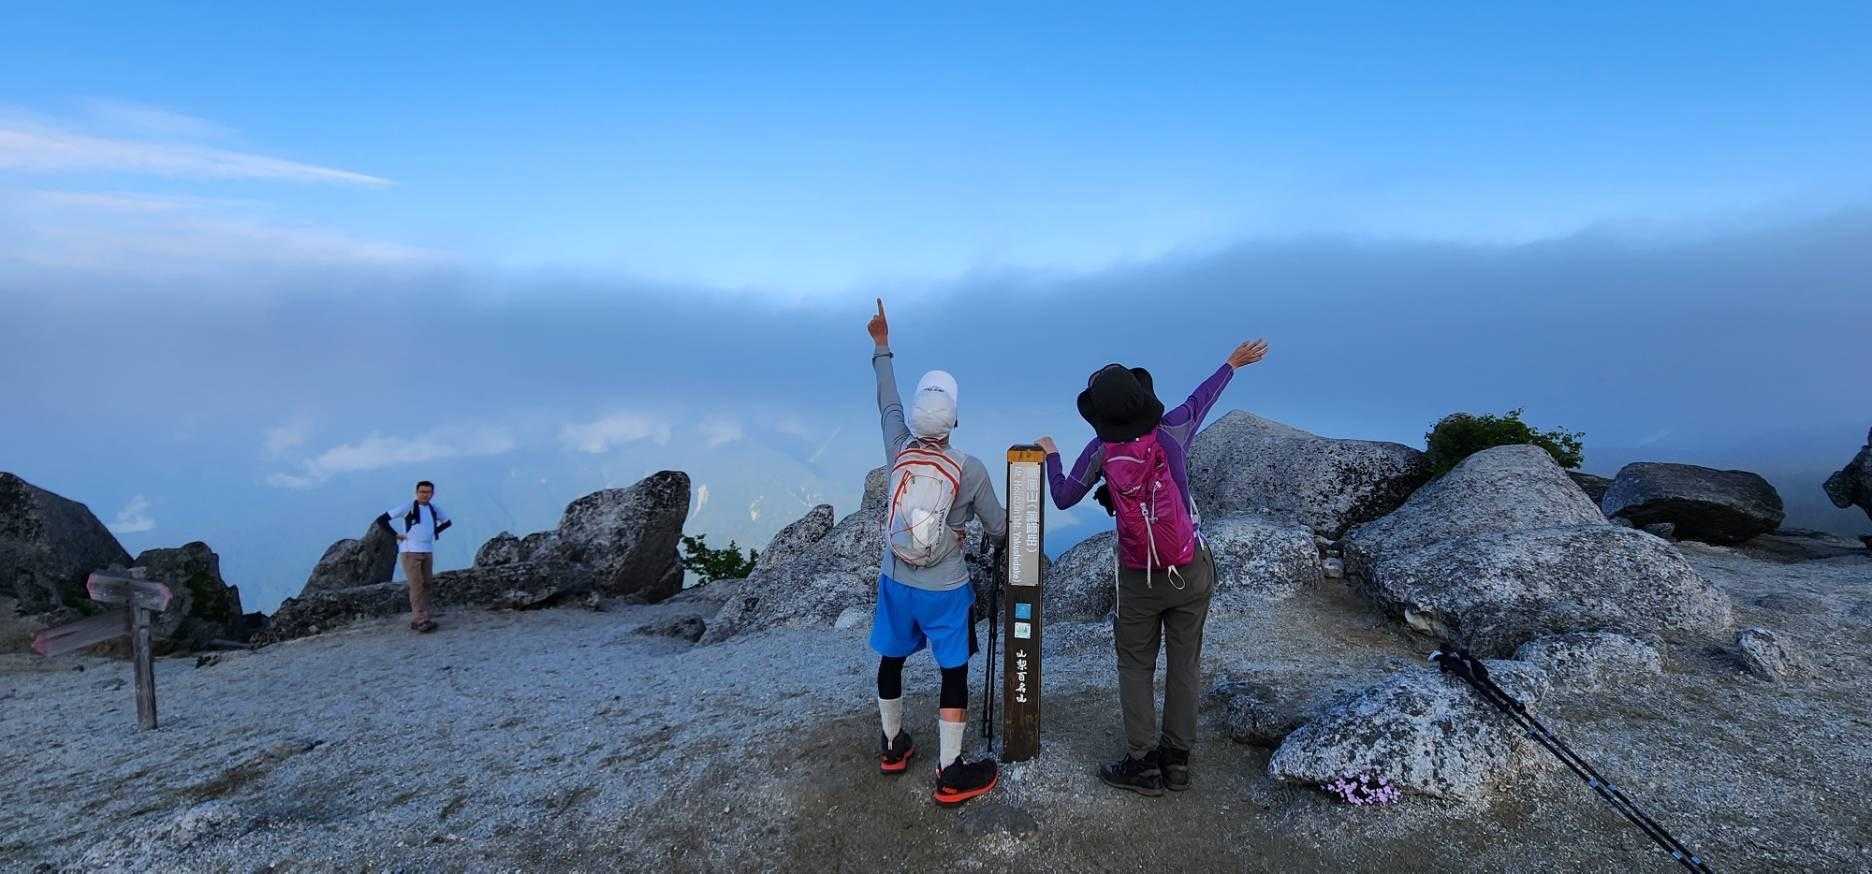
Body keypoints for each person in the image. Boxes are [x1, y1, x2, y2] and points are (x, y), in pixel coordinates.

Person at [1037, 337, 1268, 796]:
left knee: (1136, 665)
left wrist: (1051, 454)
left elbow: (1063, 496)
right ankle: (1177, 761)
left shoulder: (1101, 450)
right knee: (1185, 663)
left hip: (1138, 576)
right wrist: (1231, 364)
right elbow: (1201, 399)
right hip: (1190, 567)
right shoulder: (1172, 429)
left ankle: (1142, 765)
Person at [867, 298, 1008, 806]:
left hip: (895, 578)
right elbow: (999, 527)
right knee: (953, 671)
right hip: (946, 588)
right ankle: (950, 771)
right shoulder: (970, 469)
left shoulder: (898, 448)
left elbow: (887, 404)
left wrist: (882, 344)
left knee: (891, 658)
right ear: (954, 419)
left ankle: (892, 745)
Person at [374, 480, 453, 634]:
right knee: (416, 585)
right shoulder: (408, 507)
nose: (425, 495)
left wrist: (434, 533)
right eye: (422, 492)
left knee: (427, 583)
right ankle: (419, 620)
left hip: (427, 550)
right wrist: (395, 535)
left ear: (432, 494)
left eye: (428, 492)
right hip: (410, 551)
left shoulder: (433, 509)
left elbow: (447, 522)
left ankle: (425, 615)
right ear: (416, 493)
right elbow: (382, 520)